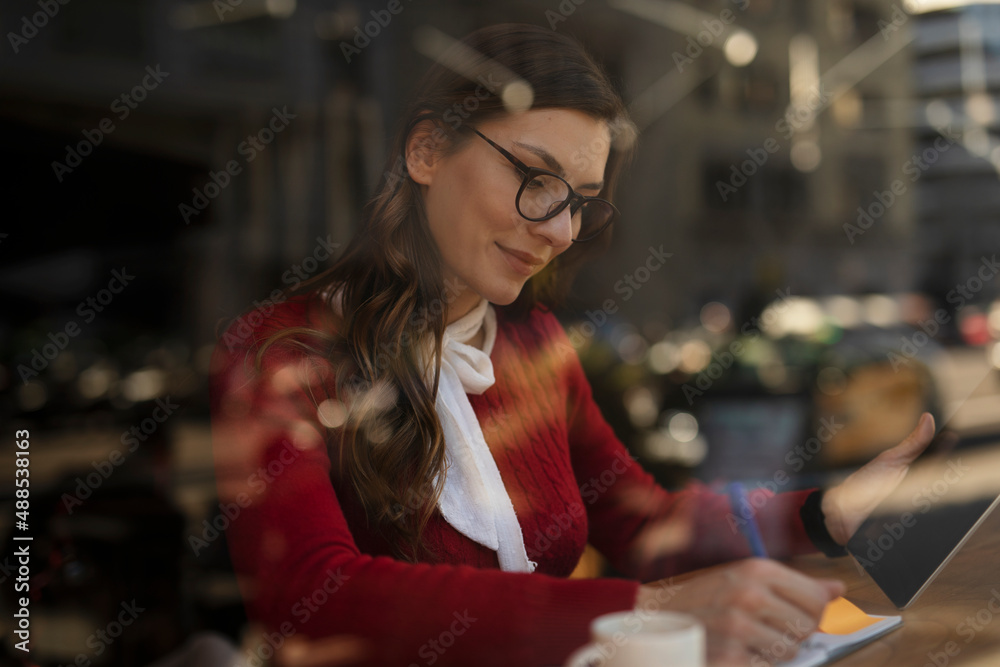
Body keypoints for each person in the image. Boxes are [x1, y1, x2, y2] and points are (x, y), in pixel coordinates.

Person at [208, 23, 935, 667]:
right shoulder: (275, 355)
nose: (559, 230)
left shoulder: (534, 346)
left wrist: (817, 514)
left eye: (580, 201)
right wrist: (640, 617)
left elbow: (641, 519)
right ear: (427, 150)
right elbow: (315, 599)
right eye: (534, 178)